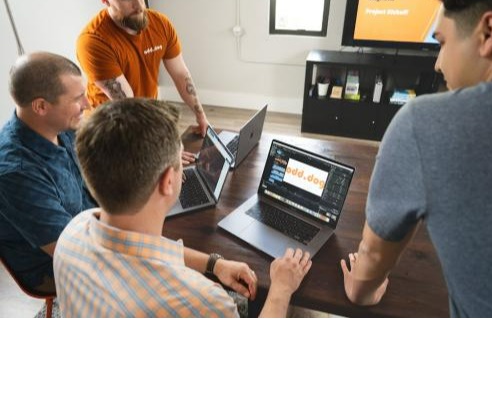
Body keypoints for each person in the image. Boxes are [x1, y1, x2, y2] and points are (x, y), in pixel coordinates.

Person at [53, 98, 312, 317]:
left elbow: (146, 249)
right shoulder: (202, 301)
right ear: (168, 181)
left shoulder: (72, 233)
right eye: (180, 159)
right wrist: (281, 288)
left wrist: (214, 264)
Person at [341, 0, 492, 317]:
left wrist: (361, 291)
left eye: (441, 43)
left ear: (488, 31)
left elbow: (372, 257)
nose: (438, 64)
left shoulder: (423, 122)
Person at [76, 0, 208, 164]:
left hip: (142, 118)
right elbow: (129, 104)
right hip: (109, 132)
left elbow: (180, 74)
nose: (139, 6)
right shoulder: (93, 41)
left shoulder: (160, 23)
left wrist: (200, 114)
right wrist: (166, 149)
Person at [0, 52, 96, 294]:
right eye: (78, 98)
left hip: (90, 223)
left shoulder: (60, 124)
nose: (87, 104)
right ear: (41, 106)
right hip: (54, 264)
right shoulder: (16, 172)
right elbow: (72, 250)